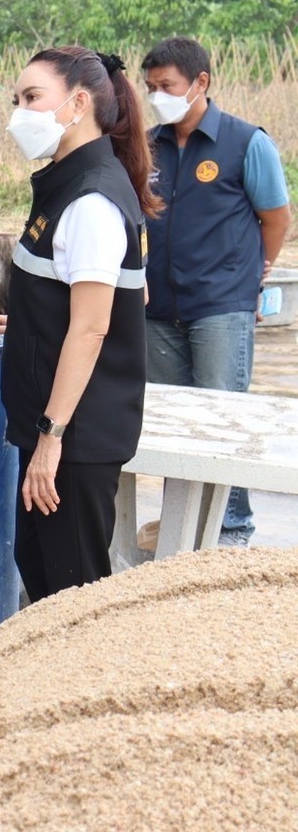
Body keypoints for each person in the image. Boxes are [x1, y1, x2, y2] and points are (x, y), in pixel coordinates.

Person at [0, 47, 159, 603]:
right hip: (59, 427)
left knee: (73, 597)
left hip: (73, 438)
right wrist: (30, 322)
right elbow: (84, 299)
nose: (19, 113)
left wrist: (50, 439)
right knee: (43, 574)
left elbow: (93, 328)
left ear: (78, 104)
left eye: (32, 98)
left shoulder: (91, 201)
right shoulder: (69, 183)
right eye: (16, 99)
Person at [140, 37, 292, 546]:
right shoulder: (147, 146)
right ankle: (182, 528)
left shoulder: (246, 142)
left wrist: (255, 274)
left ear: (200, 82)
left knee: (223, 417)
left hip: (221, 306)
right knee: (175, 422)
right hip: (158, 309)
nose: (157, 97)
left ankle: (231, 529)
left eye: (167, 86)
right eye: (150, 87)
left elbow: (276, 217)